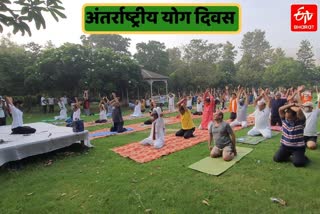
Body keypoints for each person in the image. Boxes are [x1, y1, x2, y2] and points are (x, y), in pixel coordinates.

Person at [273, 103, 309, 167]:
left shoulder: (301, 122)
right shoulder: (284, 120)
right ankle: (292, 156)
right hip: (285, 147)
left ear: (296, 116)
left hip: (298, 148)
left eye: (289, 118)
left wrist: (292, 107)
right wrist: (292, 104)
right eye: (286, 117)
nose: (287, 120)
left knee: (298, 163)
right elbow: (280, 109)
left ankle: (301, 156)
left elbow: (298, 111)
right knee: (277, 159)